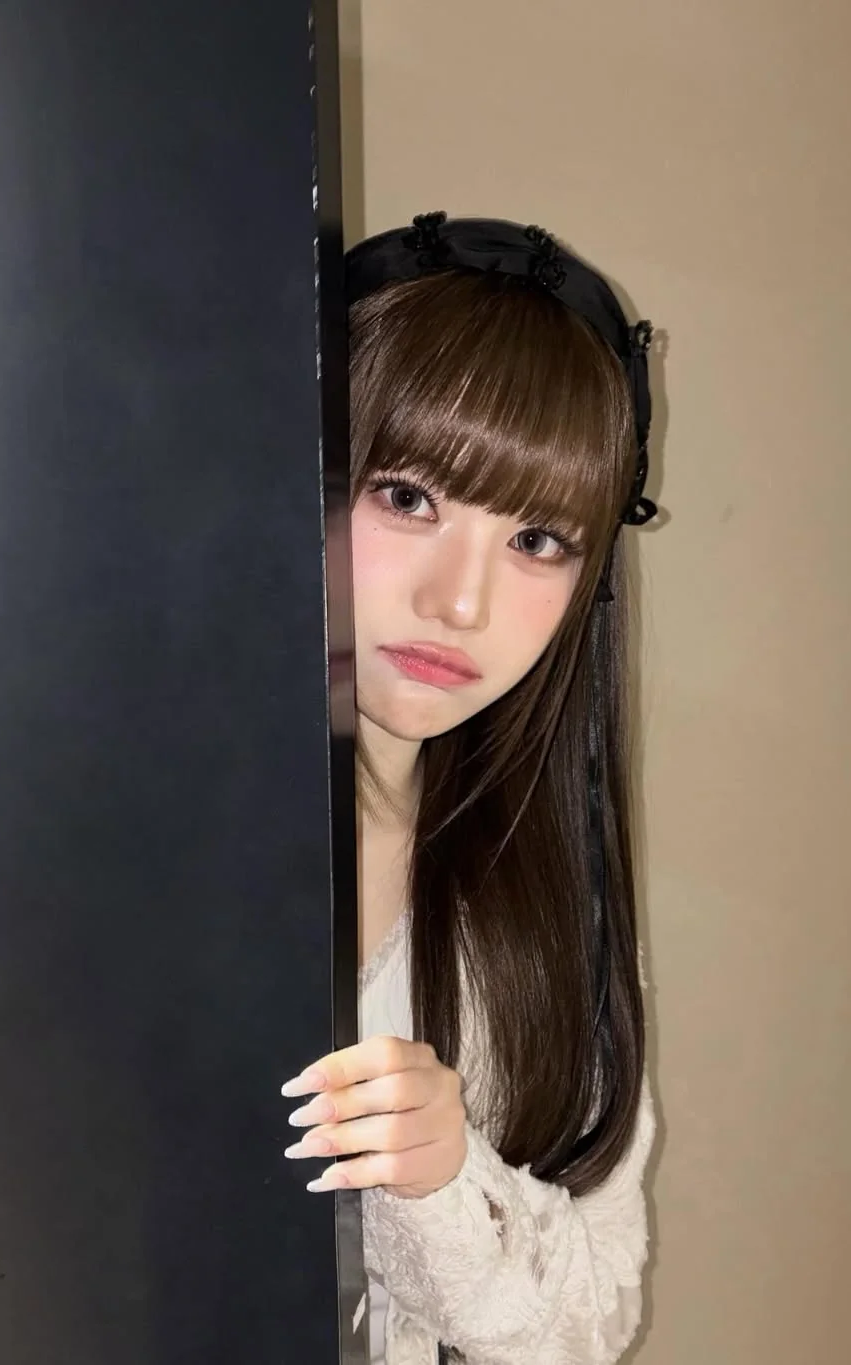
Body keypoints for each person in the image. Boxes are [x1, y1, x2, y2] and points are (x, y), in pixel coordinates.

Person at [280, 212, 659, 1364]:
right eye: (409, 497)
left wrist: (440, 1182)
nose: (462, 603)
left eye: (538, 539)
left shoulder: (542, 900)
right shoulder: (113, 843)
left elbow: (593, 1318)